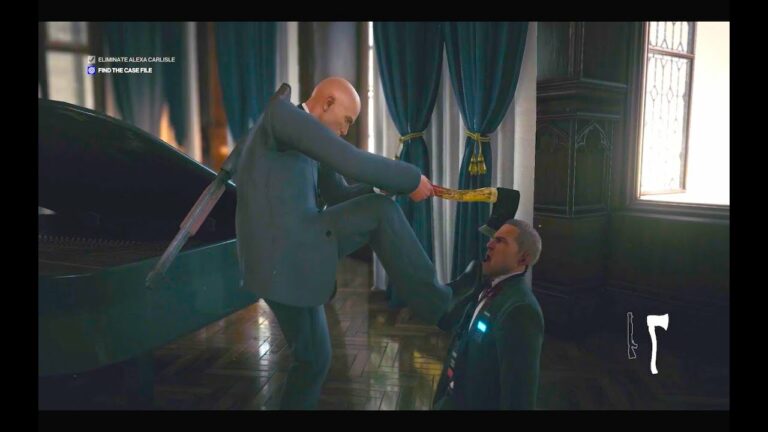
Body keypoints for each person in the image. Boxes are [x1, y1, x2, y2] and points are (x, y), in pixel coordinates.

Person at [234, 77, 453, 409]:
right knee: (380, 212)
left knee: (314, 360)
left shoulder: (306, 138)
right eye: (347, 120)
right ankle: (443, 308)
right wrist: (411, 179)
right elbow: (351, 159)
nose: (346, 130)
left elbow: (338, 194)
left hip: (294, 254)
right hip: (286, 252)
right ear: (327, 103)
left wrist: (380, 188)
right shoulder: (283, 115)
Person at [432, 219, 545, 410]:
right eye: (493, 239)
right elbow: (447, 321)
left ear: (523, 258)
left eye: (500, 241)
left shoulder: (520, 309)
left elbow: (518, 398)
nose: (489, 244)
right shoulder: (486, 286)